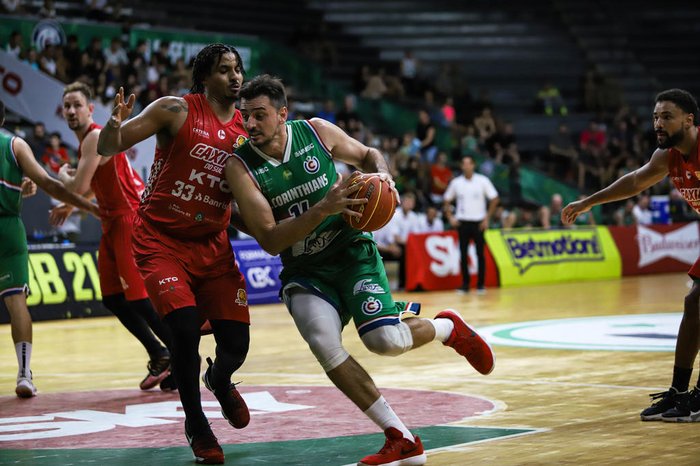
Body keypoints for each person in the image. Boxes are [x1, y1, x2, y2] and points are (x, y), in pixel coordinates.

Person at [225, 74, 495, 466]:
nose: (250, 124)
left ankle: (447, 328)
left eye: (259, 115)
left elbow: (369, 155)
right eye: (245, 116)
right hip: (305, 268)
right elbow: (269, 239)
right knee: (323, 342)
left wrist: (384, 175)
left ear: (283, 114)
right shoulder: (241, 165)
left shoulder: (316, 132)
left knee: (385, 342)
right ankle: (400, 436)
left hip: (352, 252)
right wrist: (323, 208)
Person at [97, 44, 251, 464]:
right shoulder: (175, 110)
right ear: (205, 78)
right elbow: (109, 147)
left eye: (237, 70)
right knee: (183, 330)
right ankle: (196, 423)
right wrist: (114, 125)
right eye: (224, 70)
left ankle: (219, 379)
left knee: (236, 344)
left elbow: (246, 202)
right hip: (161, 240)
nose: (235, 77)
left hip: (214, 245)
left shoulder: (247, 130)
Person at [561, 89, 700, 422]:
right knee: (694, 304)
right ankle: (679, 393)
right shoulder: (668, 158)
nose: (658, 124)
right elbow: (636, 181)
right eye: (655, 117)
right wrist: (588, 201)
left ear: (689, 120)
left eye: (667, 117)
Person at [52, 81, 174, 391]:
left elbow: (79, 186)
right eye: (66, 106)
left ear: (90, 109)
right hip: (111, 221)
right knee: (112, 298)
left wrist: (63, 176)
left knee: (138, 299)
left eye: (77, 105)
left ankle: (182, 354)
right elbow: (93, 185)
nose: (71, 111)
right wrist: (71, 201)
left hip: (128, 218)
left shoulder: (94, 136)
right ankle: (160, 354)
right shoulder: (91, 142)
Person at [0, 98, 99, 397]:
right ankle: (24, 374)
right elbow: (46, 182)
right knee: (17, 303)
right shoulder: (15, 144)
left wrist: (22, 187)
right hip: (9, 230)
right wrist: (88, 206)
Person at [443, 155, 499, 294]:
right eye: (464, 163)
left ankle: (481, 284)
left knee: (480, 253)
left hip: (479, 222)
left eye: (469, 163)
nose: (466, 166)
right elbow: (446, 200)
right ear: (461, 166)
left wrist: (487, 218)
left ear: (473, 165)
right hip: (463, 222)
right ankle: (465, 284)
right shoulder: (456, 182)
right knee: (463, 254)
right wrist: (450, 217)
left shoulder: (482, 180)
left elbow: (494, 198)